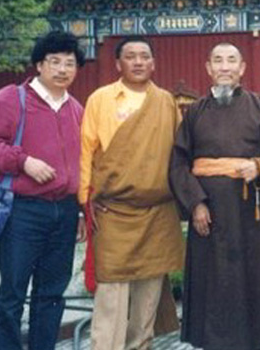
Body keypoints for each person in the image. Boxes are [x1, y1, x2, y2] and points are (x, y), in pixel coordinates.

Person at [168, 42, 260, 350]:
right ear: (208, 68)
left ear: (242, 68)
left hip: (253, 215)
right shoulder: (195, 112)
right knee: (215, 286)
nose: (225, 67)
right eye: (218, 61)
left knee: (255, 281)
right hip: (210, 215)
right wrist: (195, 203)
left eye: (231, 61)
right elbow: (179, 163)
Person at [0, 31, 86, 350]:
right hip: (23, 210)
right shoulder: (11, 98)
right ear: (39, 64)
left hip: (64, 211)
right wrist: (23, 162)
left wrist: (78, 208)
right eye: (54, 62)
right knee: (12, 292)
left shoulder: (75, 108)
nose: (63, 69)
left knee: (51, 294)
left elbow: (83, 163)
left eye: (70, 63)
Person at [80, 35, 183, 350]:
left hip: (158, 211)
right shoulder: (101, 99)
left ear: (153, 63)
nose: (138, 62)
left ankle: (141, 345)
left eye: (144, 56)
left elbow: (179, 155)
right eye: (130, 56)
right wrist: (83, 202)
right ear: (117, 63)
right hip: (113, 211)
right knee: (111, 293)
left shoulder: (166, 102)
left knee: (148, 295)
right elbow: (87, 151)